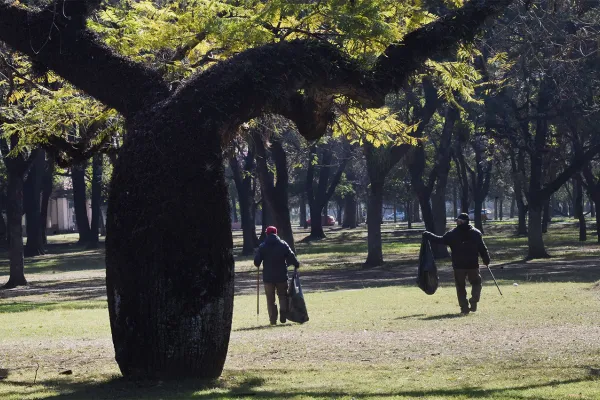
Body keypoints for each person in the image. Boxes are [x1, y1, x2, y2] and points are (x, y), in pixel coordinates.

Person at [423, 213, 490, 314]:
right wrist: (486, 259)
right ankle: (474, 301)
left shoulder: (453, 233)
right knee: (476, 283)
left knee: (460, 287)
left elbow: (440, 240)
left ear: (461, 222)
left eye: (458, 221)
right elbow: (482, 248)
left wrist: (428, 235)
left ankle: (464, 308)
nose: (457, 222)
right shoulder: (476, 233)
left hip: (459, 266)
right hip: (473, 265)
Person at [254, 226, 300, 325]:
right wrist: (296, 264)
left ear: (267, 233)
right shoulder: (283, 244)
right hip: (282, 276)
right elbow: (291, 256)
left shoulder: (263, 246)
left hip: (268, 278)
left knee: (270, 299)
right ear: (276, 233)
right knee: (283, 296)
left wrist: (258, 261)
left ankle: (272, 319)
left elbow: (257, 262)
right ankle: (283, 312)